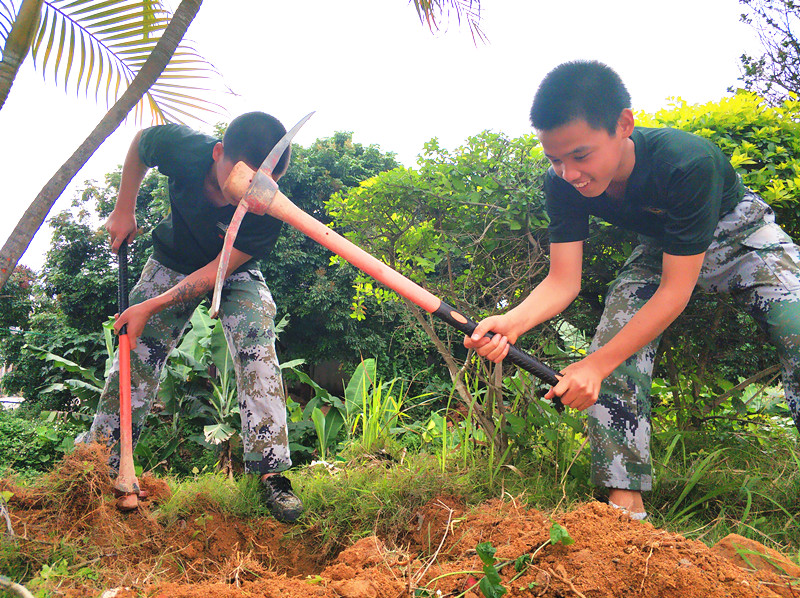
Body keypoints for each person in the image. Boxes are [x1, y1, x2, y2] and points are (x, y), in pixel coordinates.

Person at [465, 60, 800, 519]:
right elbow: (564, 279)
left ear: (624, 124)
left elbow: (674, 293)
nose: (568, 173)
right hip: (664, 243)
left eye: (580, 156)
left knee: (798, 322)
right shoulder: (561, 183)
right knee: (615, 341)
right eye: (554, 159)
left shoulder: (687, 161)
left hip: (738, 233)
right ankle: (625, 509)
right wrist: (513, 322)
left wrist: (594, 367)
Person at [81, 112, 303, 523]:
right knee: (136, 349)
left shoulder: (269, 209)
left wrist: (153, 304)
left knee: (257, 339)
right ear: (218, 154)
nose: (251, 197)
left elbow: (217, 271)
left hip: (231, 269)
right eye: (245, 181)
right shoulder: (183, 148)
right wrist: (123, 209)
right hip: (170, 258)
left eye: (265, 185)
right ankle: (101, 462)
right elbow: (141, 143)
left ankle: (271, 471)